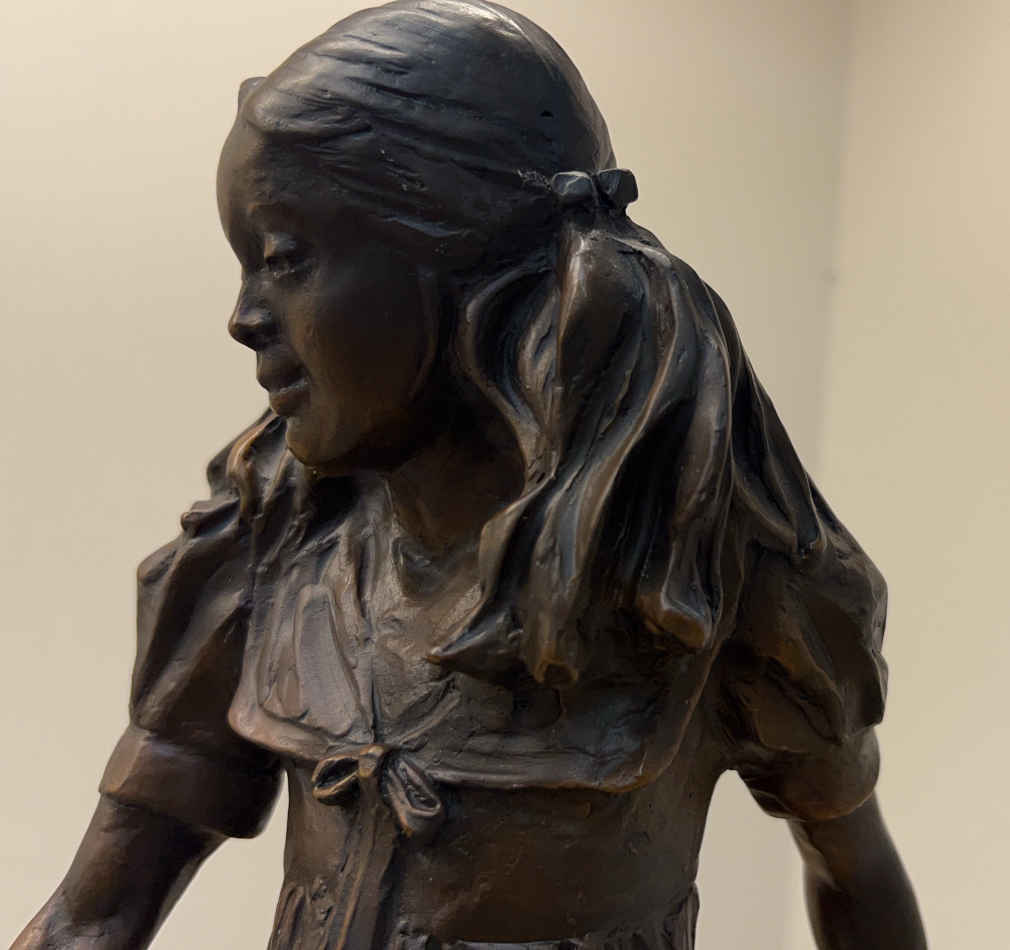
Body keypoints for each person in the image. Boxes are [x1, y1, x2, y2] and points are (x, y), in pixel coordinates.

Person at [12, 2, 926, 948]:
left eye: (284, 258)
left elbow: (854, 874)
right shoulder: (270, 546)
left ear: (449, 255)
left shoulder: (699, 580)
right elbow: (93, 917)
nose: (243, 317)